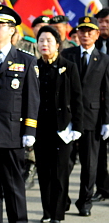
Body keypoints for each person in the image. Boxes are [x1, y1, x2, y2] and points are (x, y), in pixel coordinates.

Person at [0, 5, 40, 223]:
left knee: (14, 185)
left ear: (13, 30)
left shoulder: (26, 60)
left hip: (13, 133)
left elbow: (32, 99)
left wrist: (29, 130)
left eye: (0, 25)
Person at [61, 16, 109, 216]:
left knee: (90, 166)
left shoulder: (104, 59)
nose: (85, 35)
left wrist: (107, 121)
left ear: (97, 35)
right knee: (64, 163)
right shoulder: (67, 54)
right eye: (82, 31)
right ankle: (62, 199)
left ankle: (85, 202)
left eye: (90, 32)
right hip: (68, 118)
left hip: (93, 117)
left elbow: (107, 92)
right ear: (76, 34)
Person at [35, 25, 84, 223]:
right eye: (41, 40)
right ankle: (47, 213)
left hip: (63, 129)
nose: (44, 44)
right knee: (44, 173)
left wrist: (77, 127)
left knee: (60, 173)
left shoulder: (68, 66)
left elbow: (77, 98)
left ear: (57, 44)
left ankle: (57, 215)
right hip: (40, 129)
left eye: (49, 40)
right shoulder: (34, 66)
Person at [93, 8, 109, 202]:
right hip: (97, 106)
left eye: (106, 21)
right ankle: (103, 188)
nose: (103, 25)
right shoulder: (92, 44)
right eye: (101, 22)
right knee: (98, 151)